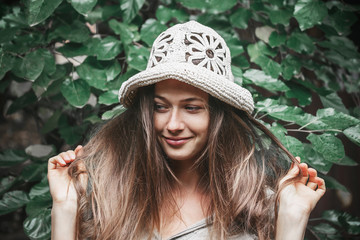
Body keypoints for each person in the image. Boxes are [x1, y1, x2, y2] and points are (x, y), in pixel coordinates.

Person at [48, 21, 325, 240]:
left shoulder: (255, 205)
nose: (173, 124)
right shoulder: (111, 193)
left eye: (192, 108)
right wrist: (65, 206)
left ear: (218, 116)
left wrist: (291, 220)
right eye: (160, 106)